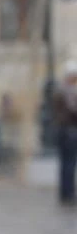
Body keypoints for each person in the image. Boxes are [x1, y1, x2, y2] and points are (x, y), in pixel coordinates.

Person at [53, 60, 77, 206]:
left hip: (63, 130)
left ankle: (65, 192)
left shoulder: (60, 89)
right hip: (69, 131)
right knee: (69, 163)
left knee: (65, 163)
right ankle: (68, 193)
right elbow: (73, 109)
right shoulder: (68, 90)